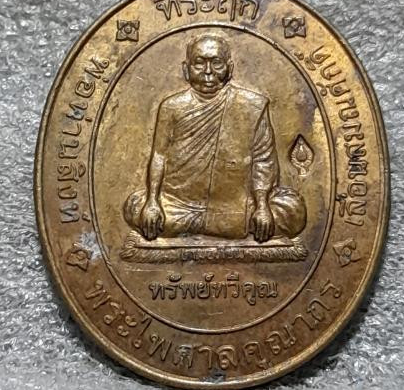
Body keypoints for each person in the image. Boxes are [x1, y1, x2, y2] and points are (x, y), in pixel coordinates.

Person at [124, 33, 306, 243]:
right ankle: (217, 226)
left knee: (293, 212)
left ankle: (212, 225)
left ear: (230, 68)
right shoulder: (171, 107)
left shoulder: (252, 106)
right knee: (135, 206)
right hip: (178, 204)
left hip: (237, 206)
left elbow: (263, 160)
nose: (208, 72)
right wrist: (152, 201)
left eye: (216, 63)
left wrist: (263, 206)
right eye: (199, 63)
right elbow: (159, 156)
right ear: (186, 69)